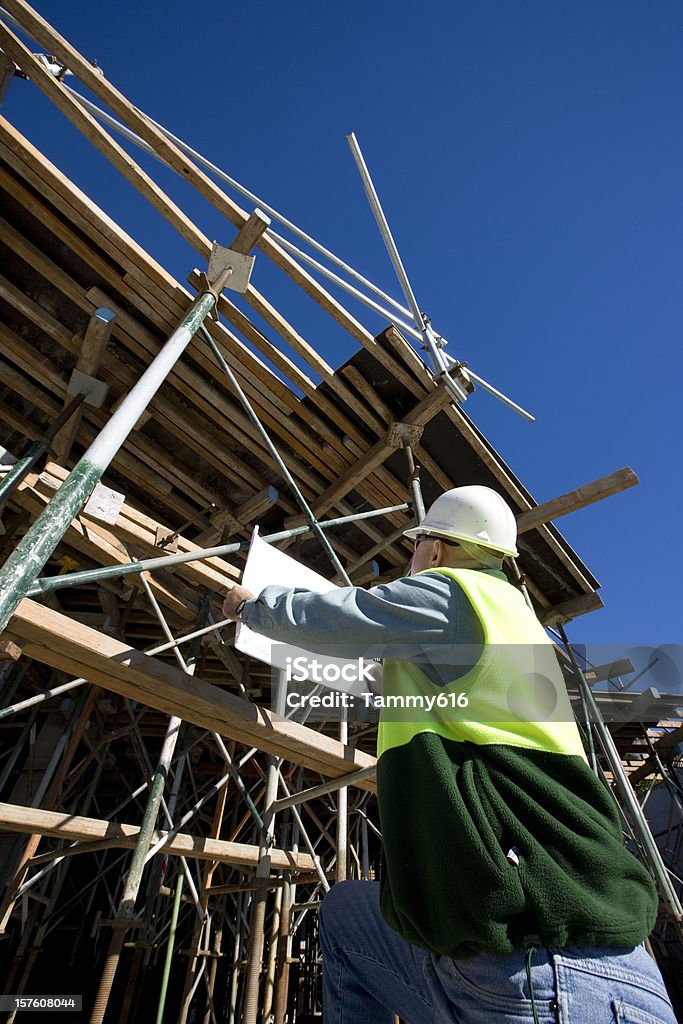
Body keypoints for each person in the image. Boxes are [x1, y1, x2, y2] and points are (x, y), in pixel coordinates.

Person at [223, 486, 676, 1024]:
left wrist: (255, 607)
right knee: (348, 913)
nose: (412, 562)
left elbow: (351, 616)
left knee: (352, 919)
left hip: (535, 970)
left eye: (416, 549)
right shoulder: (520, 631)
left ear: (436, 549)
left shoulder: (454, 594)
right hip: (625, 971)